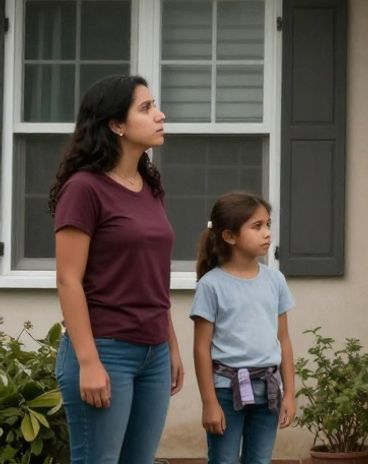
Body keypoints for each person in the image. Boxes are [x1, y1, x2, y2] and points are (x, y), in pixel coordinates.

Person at [51, 75, 183, 464]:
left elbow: (152, 276)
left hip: (154, 352)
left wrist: (171, 345)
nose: (160, 115)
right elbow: (68, 279)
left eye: (155, 105)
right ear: (116, 125)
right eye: (146, 108)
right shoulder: (84, 189)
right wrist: (89, 362)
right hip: (105, 349)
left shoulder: (149, 185)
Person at [191, 192, 297, 464]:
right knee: (224, 460)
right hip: (226, 392)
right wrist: (209, 403)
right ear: (229, 236)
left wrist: (289, 394)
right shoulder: (211, 286)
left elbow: (284, 340)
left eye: (268, 224)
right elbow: (201, 348)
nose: (267, 233)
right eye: (257, 226)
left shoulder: (275, 281)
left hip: (269, 391)